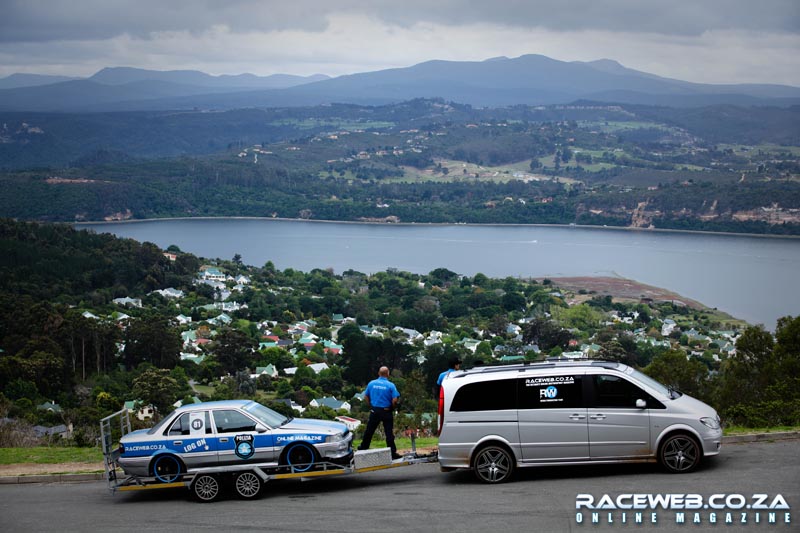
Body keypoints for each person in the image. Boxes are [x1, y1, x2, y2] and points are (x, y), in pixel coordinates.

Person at [358, 366, 402, 460]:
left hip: (375, 410)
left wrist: (371, 406)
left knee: (369, 430)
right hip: (386, 411)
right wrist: (392, 407)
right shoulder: (391, 385)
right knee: (388, 432)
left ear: (379, 373)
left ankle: (363, 448)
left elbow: (366, 396)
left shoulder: (371, 383)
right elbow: (395, 400)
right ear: (388, 374)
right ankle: (392, 452)